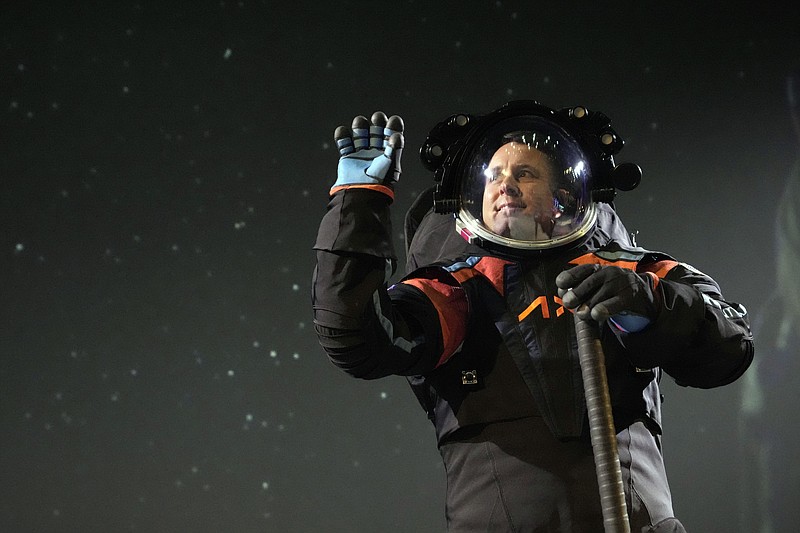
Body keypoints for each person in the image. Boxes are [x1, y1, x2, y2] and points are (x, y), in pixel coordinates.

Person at [312, 101, 754, 532]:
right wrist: (359, 202)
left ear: (563, 198)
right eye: (494, 177)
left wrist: (649, 305)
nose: (504, 186)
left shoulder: (634, 273)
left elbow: (732, 346)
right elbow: (357, 338)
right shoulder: (457, 288)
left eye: (524, 173)